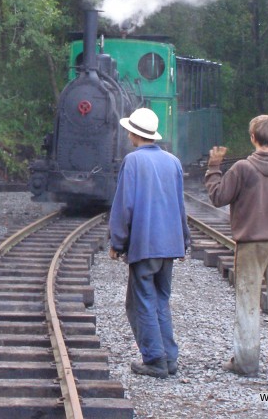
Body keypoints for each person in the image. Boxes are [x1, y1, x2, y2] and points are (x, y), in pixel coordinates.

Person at [204, 115, 268, 377]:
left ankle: (246, 362)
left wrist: (213, 167)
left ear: (253, 138)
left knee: (248, 303)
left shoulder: (242, 169)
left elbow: (217, 197)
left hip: (250, 247)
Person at [108, 107, 191, 378]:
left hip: (145, 245)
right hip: (170, 244)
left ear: (134, 133)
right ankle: (169, 358)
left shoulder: (133, 162)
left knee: (141, 302)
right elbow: (180, 206)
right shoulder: (173, 161)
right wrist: (184, 240)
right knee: (160, 300)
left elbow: (124, 207)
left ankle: (155, 359)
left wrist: (117, 242)